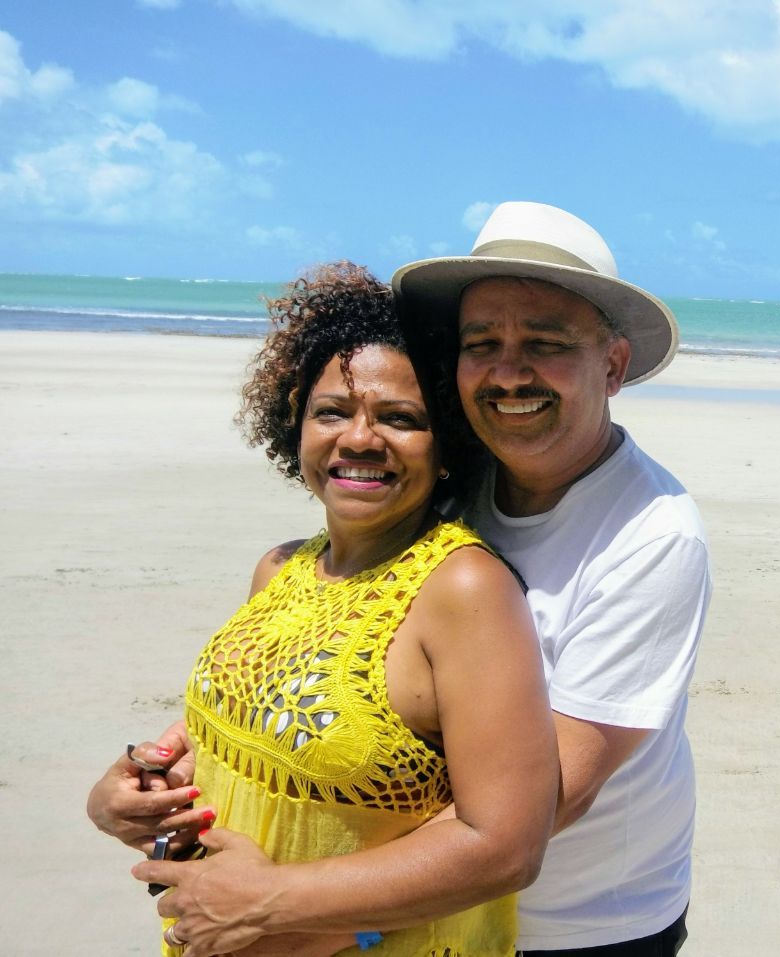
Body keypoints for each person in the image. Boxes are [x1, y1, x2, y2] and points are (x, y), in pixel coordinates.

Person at [88, 262, 559, 957]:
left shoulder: (462, 589)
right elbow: (255, 756)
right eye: (332, 412)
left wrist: (271, 904)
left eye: (401, 418)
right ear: (296, 426)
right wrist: (138, 797)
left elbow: (505, 847)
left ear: (449, 446)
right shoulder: (280, 569)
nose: (360, 438)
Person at [393, 202, 711, 955]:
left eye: (545, 343)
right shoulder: (450, 482)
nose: (509, 372)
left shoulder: (652, 536)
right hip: (428, 903)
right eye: (482, 344)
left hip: (582, 925)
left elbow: (546, 801)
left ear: (613, 366)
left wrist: (318, 906)